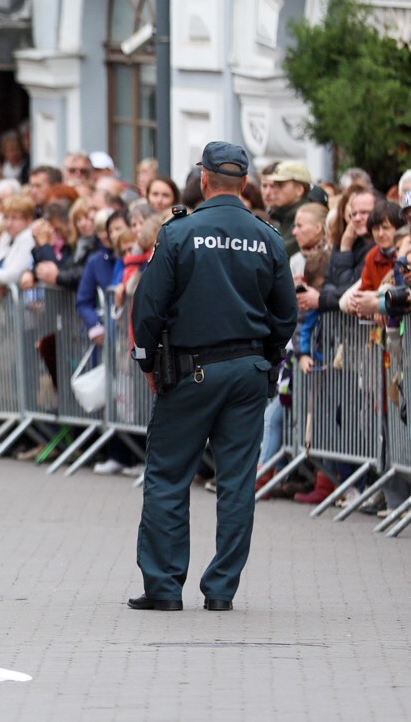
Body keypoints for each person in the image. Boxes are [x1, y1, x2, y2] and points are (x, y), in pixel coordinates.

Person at [127, 142, 296, 612]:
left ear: (203, 179)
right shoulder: (268, 237)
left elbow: (149, 306)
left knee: (168, 476)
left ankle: (164, 587)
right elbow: (286, 314)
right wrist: (266, 359)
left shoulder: (179, 232)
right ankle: (221, 590)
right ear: (244, 183)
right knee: (237, 483)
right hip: (248, 371)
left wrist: (147, 361)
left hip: (189, 371)